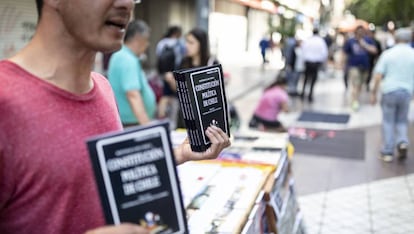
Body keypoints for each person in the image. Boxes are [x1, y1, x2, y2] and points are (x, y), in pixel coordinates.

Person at [0, 0, 230, 234]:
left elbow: (103, 176)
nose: (126, 3)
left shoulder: (103, 88)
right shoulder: (5, 100)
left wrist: (179, 153)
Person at [370, 28, 414, 162]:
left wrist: (373, 92)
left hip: (389, 91)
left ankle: (387, 151)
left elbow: (378, 75)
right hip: (406, 92)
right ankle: (402, 141)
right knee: (402, 120)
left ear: (395, 38)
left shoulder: (388, 54)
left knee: (388, 121)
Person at [108, 20, 156, 127]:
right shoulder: (127, 59)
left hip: (128, 122)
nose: (147, 44)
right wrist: (147, 127)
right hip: (132, 124)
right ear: (138, 38)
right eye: (147, 40)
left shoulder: (120, 55)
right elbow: (133, 95)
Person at [155, 26, 185, 129]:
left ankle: (161, 117)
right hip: (172, 73)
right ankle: (172, 121)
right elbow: (179, 57)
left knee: (164, 95)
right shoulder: (177, 43)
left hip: (163, 73)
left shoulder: (161, 42)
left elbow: (158, 56)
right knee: (172, 96)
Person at [343, 25, 377, 111]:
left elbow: (374, 50)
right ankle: (354, 101)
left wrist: (364, 45)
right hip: (353, 66)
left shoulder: (367, 40)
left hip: (365, 66)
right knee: (355, 84)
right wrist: (343, 64)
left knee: (360, 85)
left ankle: (356, 99)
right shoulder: (351, 41)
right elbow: (344, 52)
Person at [300, 28, 328, 102]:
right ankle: (310, 94)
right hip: (316, 62)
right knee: (313, 79)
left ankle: (303, 92)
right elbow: (324, 53)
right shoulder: (321, 41)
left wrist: (304, 60)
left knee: (306, 78)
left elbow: (303, 50)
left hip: (308, 61)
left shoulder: (308, 40)